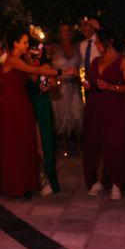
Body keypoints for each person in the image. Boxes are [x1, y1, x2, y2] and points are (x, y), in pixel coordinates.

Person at [0, 27, 59, 198]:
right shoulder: (11, 60)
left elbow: (32, 78)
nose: (26, 45)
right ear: (15, 44)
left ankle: (26, 184)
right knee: (12, 145)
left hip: (22, 104)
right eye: (24, 42)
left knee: (25, 144)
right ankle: (15, 186)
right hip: (10, 106)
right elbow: (36, 72)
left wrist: (29, 58)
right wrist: (60, 72)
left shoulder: (21, 60)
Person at [82, 27, 125, 200]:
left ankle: (117, 182)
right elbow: (91, 82)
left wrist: (111, 87)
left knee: (115, 145)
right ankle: (97, 181)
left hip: (115, 109)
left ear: (109, 41)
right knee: (94, 144)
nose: (97, 45)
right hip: (95, 108)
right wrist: (88, 85)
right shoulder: (95, 62)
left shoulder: (124, 61)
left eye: (99, 42)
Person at [27, 41, 61, 195]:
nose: (35, 52)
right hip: (28, 108)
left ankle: (49, 178)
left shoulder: (45, 66)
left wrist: (51, 86)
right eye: (33, 49)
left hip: (41, 107)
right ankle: (36, 176)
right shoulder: (25, 65)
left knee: (44, 143)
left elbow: (55, 86)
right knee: (32, 144)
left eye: (38, 50)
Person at [49, 23, 84, 156]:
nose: (66, 33)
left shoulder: (77, 47)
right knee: (62, 117)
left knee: (77, 115)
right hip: (60, 86)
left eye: (68, 30)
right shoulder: (54, 48)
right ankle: (65, 148)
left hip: (74, 86)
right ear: (60, 33)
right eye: (63, 31)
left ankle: (80, 146)